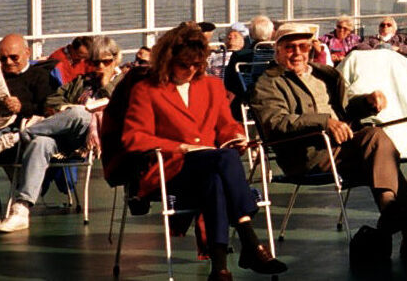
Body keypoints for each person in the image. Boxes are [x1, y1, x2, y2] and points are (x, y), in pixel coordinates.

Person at [250, 23, 407, 262]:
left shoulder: (323, 74)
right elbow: (276, 123)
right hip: (308, 153)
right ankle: (402, 223)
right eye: (290, 47)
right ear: (278, 51)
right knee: (374, 141)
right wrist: (324, 122)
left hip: (342, 148)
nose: (297, 53)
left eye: (303, 46)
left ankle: (398, 219)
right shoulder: (268, 83)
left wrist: (368, 102)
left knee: (378, 151)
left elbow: (346, 108)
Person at [121, 22, 286, 279]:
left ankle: (219, 268)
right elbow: (134, 137)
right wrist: (181, 147)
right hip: (172, 168)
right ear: (168, 60)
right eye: (184, 65)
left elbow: (227, 124)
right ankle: (249, 239)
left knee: (216, 178)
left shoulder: (212, 86)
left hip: (211, 165)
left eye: (197, 65)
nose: (191, 70)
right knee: (223, 160)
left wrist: (236, 136)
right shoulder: (146, 90)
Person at [0, 36, 122, 232]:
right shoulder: (82, 81)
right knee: (39, 142)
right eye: (95, 62)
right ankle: (18, 208)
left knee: (81, 113)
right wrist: (66, 108)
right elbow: (52, 102)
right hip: (54, 135)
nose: (101, 66)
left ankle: (18, 136)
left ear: (116, 59)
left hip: (83, 137)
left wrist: (104, 84)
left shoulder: (122, 81)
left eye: (107, 61)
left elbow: (116, 106)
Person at [0, 34, 57, 231]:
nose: (8, 62)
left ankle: (12, 208)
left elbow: (49, 110)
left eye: (14, 57)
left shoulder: (41, 77)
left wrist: (22, 108)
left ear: (27, 53)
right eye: (2, 59)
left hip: (24, 134)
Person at [224, 15, 274, 118]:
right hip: (273, 94)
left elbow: (228, 82)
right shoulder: (277, 55)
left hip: (248, 96)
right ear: (271, 34)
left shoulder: (240, 55)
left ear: (250, 34)